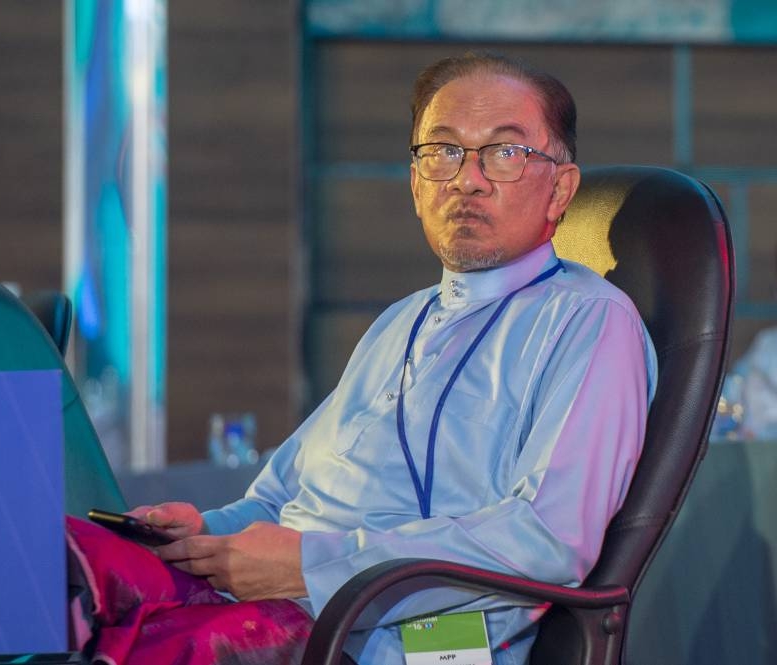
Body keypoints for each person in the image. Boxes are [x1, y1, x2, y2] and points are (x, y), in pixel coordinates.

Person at [67, 51, 658, 665]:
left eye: (505, 152)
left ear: (560, 189)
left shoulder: (589, 320)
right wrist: (204, 533)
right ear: (416, 184)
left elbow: (549, 540)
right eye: (443, 151)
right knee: (54, 562)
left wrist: (306, 565)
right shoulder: (401, 320)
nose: (467, 179)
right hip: (271, 601)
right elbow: (275, 499)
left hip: (381, 638)